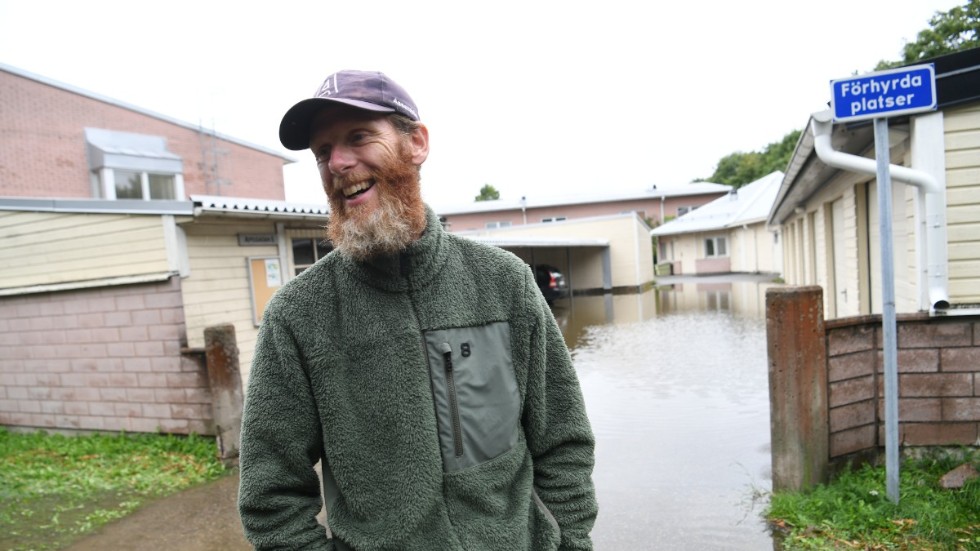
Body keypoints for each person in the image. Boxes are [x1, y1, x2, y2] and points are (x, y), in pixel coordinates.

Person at [237, 70, 597, 551]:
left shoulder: (504, 283)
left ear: (417, 143)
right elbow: (271, 500)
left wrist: (568, 541)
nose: (338, 163)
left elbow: (562, 441)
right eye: (323, 152)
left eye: (358, 137)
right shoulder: (299, 317)